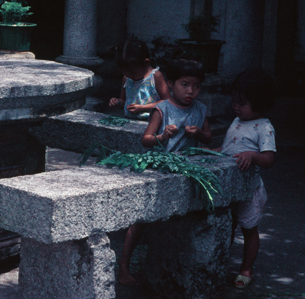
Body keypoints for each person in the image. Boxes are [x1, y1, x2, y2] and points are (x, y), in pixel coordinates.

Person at [118, 56, 212, 286]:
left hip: (186, 169)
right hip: (160, 166)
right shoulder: (162, 109)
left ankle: (178, 268)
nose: (191, 91)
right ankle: (124, 265)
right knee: (142, 217)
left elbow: (209, 137)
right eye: (184, 84)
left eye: (196, 86)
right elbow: (146, 139)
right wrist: (163, 136)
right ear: (170, 83)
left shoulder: (200, 109)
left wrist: (197, 133)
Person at [216, 69, 276, 289]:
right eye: (234, 101)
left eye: (242, 103)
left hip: (249, 189)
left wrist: (252, 155)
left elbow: (269, 159)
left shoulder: (264, 127)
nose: (236, 106)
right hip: (229, 185)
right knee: (226, 225)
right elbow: (228, 149)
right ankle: (220, 262)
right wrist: (210, 152)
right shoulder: (237, 120)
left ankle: (246, 268)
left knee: (249, 229)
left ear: (259, 104)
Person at [109, 40, 170, 120]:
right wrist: (117, 102)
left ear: (146, 63)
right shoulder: (127, 78)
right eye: (125, 72)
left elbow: (167, 101)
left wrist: (143, 108)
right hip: (130, 121)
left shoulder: (155, 77)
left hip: (152, 123)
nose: (130, 75)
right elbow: (123, 100)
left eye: (133, 72)